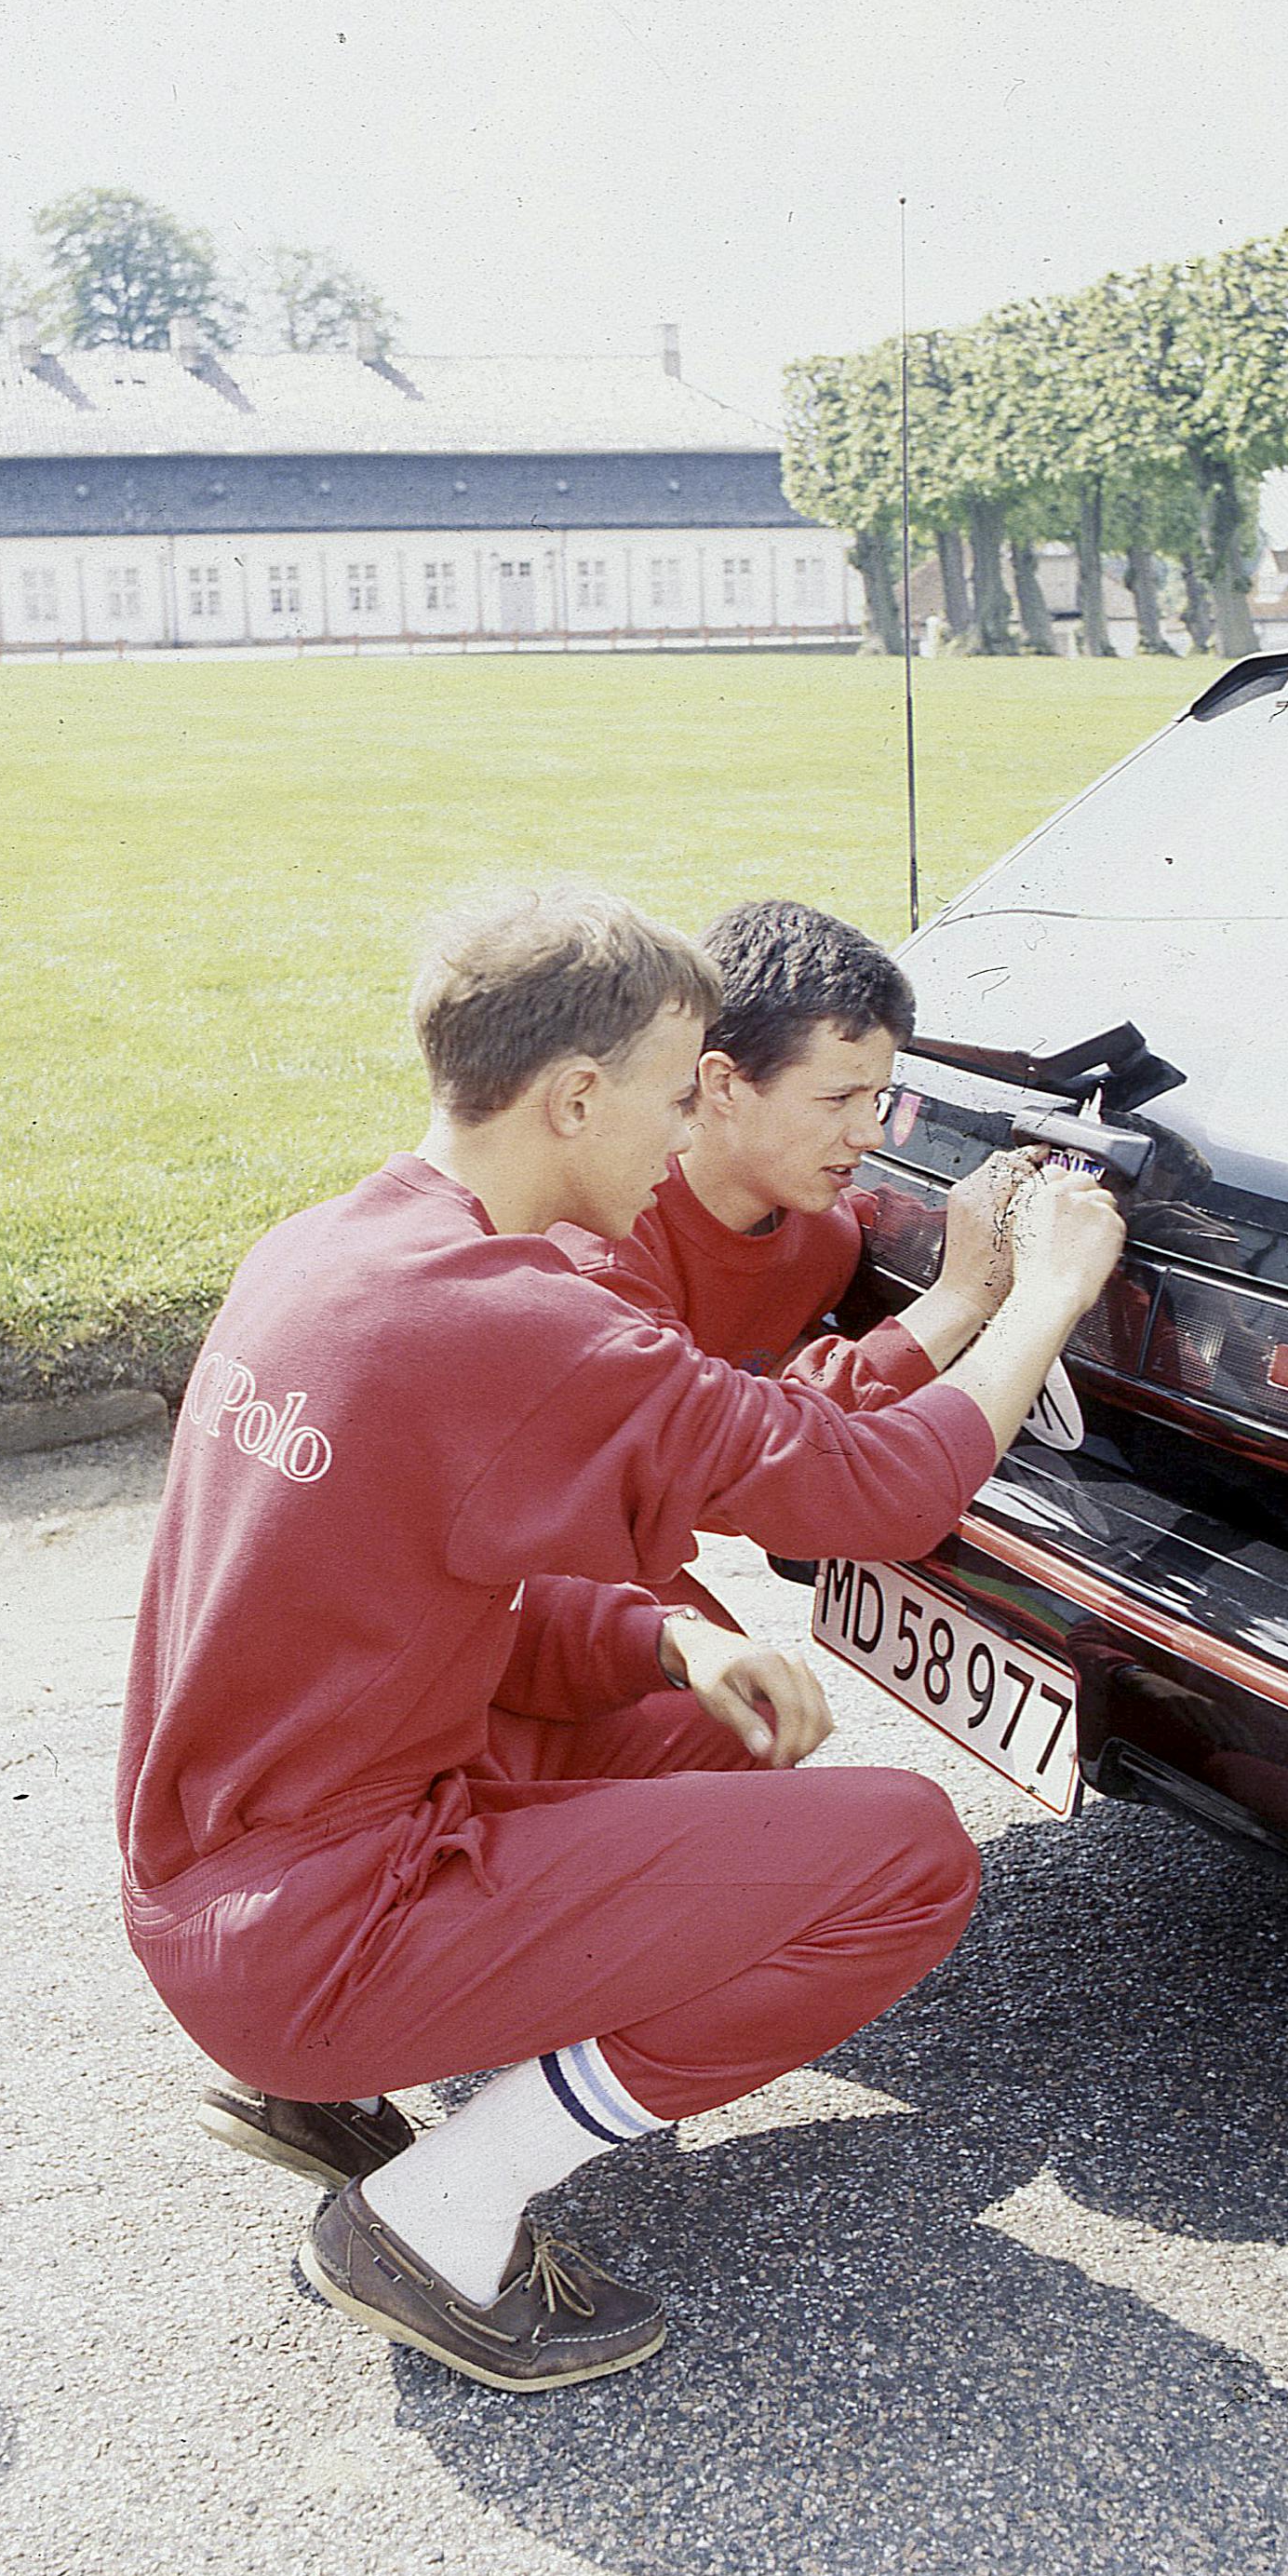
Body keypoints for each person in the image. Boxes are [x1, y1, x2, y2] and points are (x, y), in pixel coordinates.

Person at [119, 883, 1123, 2393]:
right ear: (575, 1093)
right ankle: (441, 2210)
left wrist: (674, 1646)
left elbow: (442, 1586)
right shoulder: (519, 1322)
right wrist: (1036, 1292)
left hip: (213, 1889)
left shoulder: (325, 1250)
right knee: (909, 1856)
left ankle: (318, 2091)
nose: (678, 1134)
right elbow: (878, 1488)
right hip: (323, 1930)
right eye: (670, 1093)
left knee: (716, 1721)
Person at [558, 897, 1030, 1626]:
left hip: (624, 1533)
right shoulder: (603, 1247)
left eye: (879, 1097)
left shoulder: (824, 1228)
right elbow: (750, 1464)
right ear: (720, 1085)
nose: (870, 1134)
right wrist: (960, 1296)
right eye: (838, 1097)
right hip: (532, 1563)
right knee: (719, 1722)